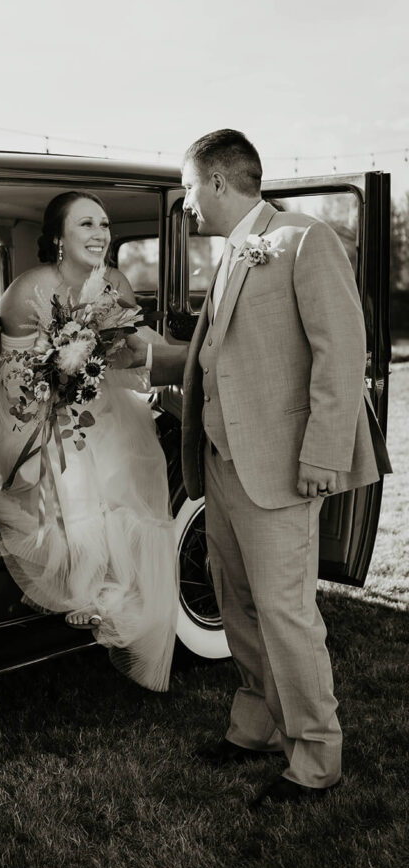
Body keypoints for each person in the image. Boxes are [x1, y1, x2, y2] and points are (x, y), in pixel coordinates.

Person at [129, 129, 391, 805]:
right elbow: (233, 361)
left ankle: (315, 759)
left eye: (188, 189)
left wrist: (323, 457)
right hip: (220, 465)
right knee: (237, 605)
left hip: (280, 470)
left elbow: (342, 354)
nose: (185, 205)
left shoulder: (304, 239)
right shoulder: (228, 257)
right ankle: (255, 728)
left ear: (218, 181)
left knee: (286, 614)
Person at [0, 191, 178, 692]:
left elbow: (138, 342)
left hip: (103, 405)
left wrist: (189, 367)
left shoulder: (116, 283)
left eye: (104, 225)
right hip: (35, 410)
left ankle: (120, 589)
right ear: (58, 238)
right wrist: (55, 391)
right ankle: (85, 587)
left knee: (119, 463)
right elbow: (12, 378)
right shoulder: (27, 291)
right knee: (61, 470)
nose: (100, 234)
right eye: (86, 224)